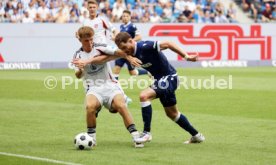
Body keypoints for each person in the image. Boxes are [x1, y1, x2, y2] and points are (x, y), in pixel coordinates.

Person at [114, 32, 205, 144]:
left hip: (169, 78)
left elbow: (168, 43)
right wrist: (127, 56)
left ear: (131, 41)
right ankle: (196, 135)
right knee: (172, 114)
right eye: (122, 49)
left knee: (144, 96)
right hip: (161, 80)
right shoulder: (130, 53)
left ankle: (146, 133)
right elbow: (117, 53)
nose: (124, 50)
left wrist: (186, 56)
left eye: (125, 47)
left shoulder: (144, 46)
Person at [73, 26, 145, 148]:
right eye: (86, 40)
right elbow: (78, 76)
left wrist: (129, 58)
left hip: (110, 85)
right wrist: (80, 70)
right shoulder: (77, 55)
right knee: (90, 107)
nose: (90, 42)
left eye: (91, 39)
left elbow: (118, 52)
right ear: (80, 40)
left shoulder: (100, 46)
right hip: (93, 88)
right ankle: (92, 139)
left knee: (120, 106)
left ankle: (136, 136)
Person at [113, 10, 148, 80]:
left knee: (132, 72)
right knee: (116, 69)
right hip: (122, 51)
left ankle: (147, 72)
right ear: (121, 17)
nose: (125, 17)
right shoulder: (121, 26)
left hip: (129, 52)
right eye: (123, 16)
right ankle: (115, 87)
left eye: (127, 16)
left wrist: (129, 43)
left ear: (130, 17)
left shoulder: (132, 26)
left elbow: (139, 37)